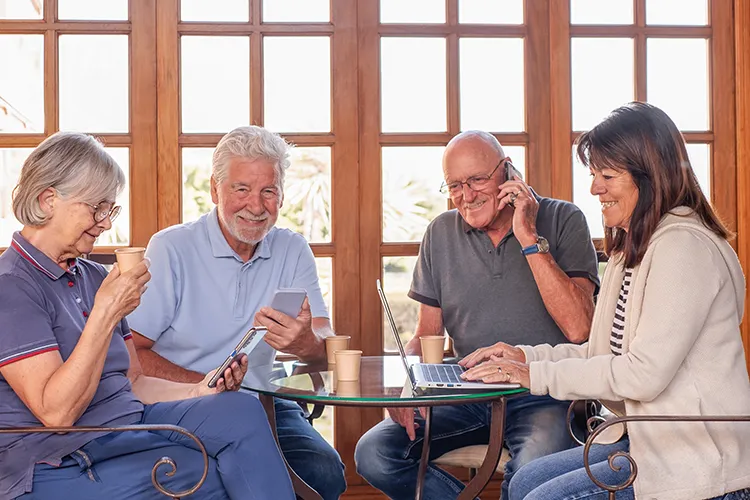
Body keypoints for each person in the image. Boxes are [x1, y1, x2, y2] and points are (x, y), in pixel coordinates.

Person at [460, 102, 750, 500]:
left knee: (539, 497)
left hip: (695, 463)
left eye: (607, 175)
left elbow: (641, 375)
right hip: (647, 442)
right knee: (527, 481)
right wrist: (524, 358)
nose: (595, 187)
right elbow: (599, 354)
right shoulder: (631, 247)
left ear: (650, 178)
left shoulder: (684, 248)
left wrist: (535, 377)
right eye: (594, 174)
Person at [0, 131, 295, 500]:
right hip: (60, 456)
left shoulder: (92, 276)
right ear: (48, 201)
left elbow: (135, 381)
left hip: (128, 426)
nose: (106, 222)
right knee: (215, 473)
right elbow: (57, 414)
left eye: (110, 209)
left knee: (242, 411)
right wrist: (106, 312)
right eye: (96, 208)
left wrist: (200, 389)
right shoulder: (11, 286)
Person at [355, 130, 600, 499]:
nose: (466, 196)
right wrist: (406, 383)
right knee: (374, 452)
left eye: (477, 180)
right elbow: (427, 334)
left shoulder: (564, 219)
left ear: (508, 173)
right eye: (454, 185)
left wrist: (529, 236)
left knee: (532, 477)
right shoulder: (439, 233)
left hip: (545, 391)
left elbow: (580, 328)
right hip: (463, 391)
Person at [127, 125, 347, 500]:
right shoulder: (171, 249)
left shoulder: (292, 250)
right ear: (215, 189)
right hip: (181, 400)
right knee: (213, 478)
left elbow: (326, 346)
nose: (257, 206)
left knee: (325, 473)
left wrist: (306, 342)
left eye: (268, 191)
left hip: (263, 401)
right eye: (241, 189)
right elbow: (133, 354)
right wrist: (207, 385)